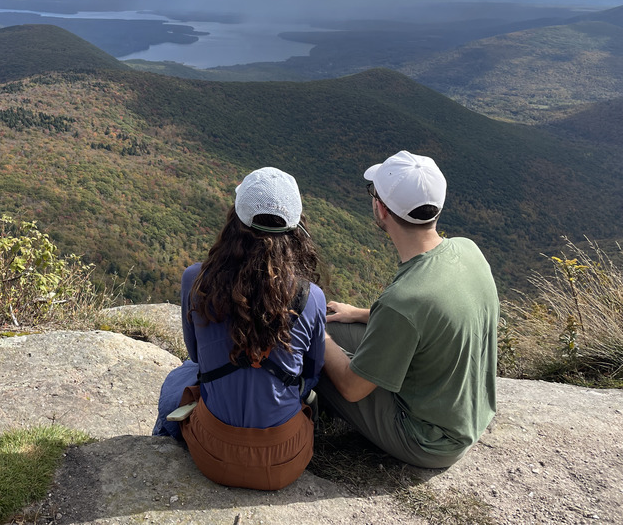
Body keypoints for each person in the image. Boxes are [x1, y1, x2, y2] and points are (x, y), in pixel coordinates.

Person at [319, 150, 499, 468]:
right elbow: (426, 320)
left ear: (382, 209)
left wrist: (315, 333)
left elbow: (351, 387)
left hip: (428, 440)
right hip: (470, 415)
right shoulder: (467, 249)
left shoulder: (403, 300)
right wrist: (358, 313)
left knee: (313, 348)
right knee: (336, 326)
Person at [153, 167, 326, 490]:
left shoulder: (196, 280)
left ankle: (160, 442)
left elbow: (196, 357)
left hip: (212, 453)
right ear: (297, 228)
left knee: (179, 377)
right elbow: (313, 372)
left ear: (235, 219)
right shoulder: (310, 298)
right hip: (285, 460)